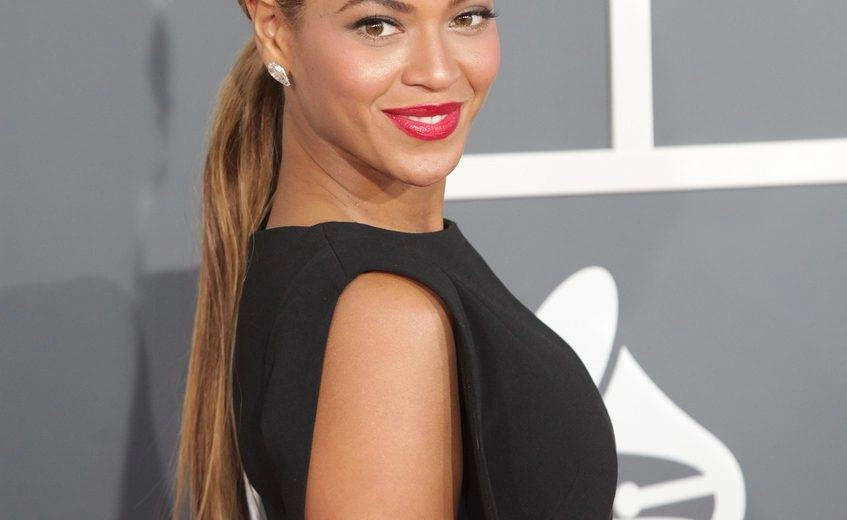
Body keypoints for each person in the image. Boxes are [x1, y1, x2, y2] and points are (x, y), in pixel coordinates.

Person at [172, 0, 617, 518]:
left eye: (467, 17)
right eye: (378, 25)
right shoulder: (384, 320)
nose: (438, 71)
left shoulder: (355, 283)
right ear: (275, 32)